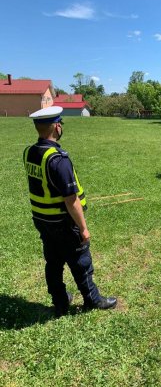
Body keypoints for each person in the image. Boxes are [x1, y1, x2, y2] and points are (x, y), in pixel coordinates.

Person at [23, 106, 117, 317]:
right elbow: (71, 199)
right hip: (63, 222)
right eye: (61, 124)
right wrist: (83, 228)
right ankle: (92, 300)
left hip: (42, 219)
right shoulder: (57, 159)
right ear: (56, 127)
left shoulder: (29, 152)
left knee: (53, 262)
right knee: (81, 262)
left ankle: (60, 302)